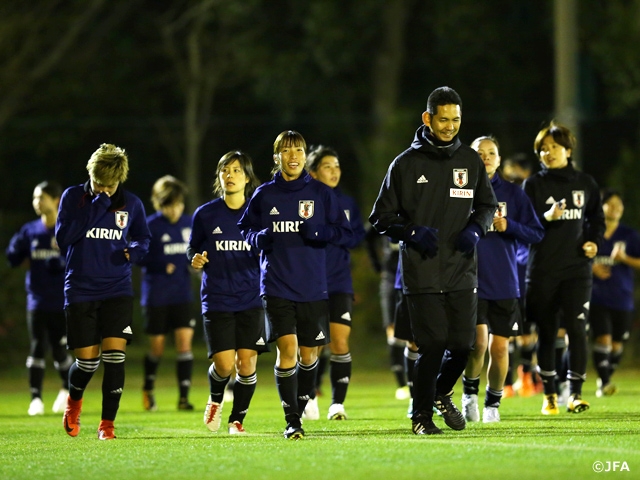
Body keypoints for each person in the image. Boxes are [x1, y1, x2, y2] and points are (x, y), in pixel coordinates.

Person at [369, 86, 498, 435]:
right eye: (443, 119)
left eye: (456, 120)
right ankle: (421, 418)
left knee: (464, 345)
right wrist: (411, 232)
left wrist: (476, 229)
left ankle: (440, 391)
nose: (450, 126)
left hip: (461, 269)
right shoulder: (405, 164)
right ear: (428, 118)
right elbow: (380, 217)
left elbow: (487, 205)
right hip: (421, 270)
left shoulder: (470, 161)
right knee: (433, 344)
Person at [238, 130, 353, 439]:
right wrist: (258, 238)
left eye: (299, 150)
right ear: (277, 157)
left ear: (304, 156)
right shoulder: (264, 194)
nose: (293, 156)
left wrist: (321, 232)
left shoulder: (321, 193)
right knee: (287, 350)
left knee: (309, 355)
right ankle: (292, 421)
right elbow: (245, 228)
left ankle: (299, 407)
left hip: (313, 287)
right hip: (276, 285)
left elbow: (346, 233)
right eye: (287, 151)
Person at [55, 143, 150, 440]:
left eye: (110, 186)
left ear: (120, 179)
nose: (104, 190)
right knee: (87, 362)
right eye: (99, 184)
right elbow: (64, 237)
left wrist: (136, 251)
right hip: (80, 289)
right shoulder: (73, 197)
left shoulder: (132, 204)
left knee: (115, 358)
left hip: (117, 288)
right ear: (91, 175)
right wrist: (96, 206)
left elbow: (143, 238)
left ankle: (107, 425)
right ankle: (73, 402)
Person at [523, 121, 605, 415]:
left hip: (577, 270)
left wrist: (593, 242)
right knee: (547, 333)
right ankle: (549, 395)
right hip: (543, 270)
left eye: (554, 147)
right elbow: (524, 227)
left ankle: (576, 394)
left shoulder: (585, 183)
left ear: (568, 150)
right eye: (543, 149)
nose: (548, 153)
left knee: (577, 330)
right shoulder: (532, 185)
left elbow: (596, 220)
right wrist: (546, 217)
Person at [461, 136, 544, 423]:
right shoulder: (460, 191)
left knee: (499, 347)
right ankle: (469, 395)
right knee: (478, 343)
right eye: (479, 152)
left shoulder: (513, 194)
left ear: (499, 159)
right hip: (470, 280)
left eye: (491, 153)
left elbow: (536, 232)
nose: (485, 157)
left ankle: (493, 404)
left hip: (505, 282)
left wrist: (510, 225)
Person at [188, 150, 268, 435]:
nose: (230, 175)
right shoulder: (206, 214)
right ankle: (215, 399)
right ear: (219, 176)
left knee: (246, 364)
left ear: (247, 178)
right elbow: (193, 247)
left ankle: (237, 420)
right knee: (224, 366)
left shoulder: (258, 214)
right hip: (217, 297)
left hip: (251, 298)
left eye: (236, 170)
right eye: (225, 170)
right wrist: (195, 258)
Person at [303, 145, 367, 420]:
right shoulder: (305, 200)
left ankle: (337, 404)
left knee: (340, 342)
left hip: (340, 281)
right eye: (327, 166)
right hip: (309, 282)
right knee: (312, 345)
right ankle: (308, 397)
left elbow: (356, 236)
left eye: (337, 166)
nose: (334, 171)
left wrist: (325, 233)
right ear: (313, 172)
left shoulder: (347, 203)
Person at [6, 181, 74, 416]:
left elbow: (80, 259)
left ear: (56, 200)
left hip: (62, 301)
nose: (37, 202)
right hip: (37, 300)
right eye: (35, 198)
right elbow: (14, 256)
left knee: (60, 350)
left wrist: (62, 263)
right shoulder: (30, 230)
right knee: (36, 346)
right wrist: (17, 255)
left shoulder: (67, 229)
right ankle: (36, 399)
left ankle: (67, 390)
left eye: (41, 198)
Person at [137, 175, 196, 412]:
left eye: (178, 204)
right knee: (157, 348)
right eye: (169, 205)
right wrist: (160, 264)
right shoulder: (150, 226)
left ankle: (184, 398)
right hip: (156, 295)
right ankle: (148, 389)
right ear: (160, 204)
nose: (174, 210)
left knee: (184, 344)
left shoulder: (190, 223)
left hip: (182, 294)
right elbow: (138, 257)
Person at [590, 189, 640, 397]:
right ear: (601, 207)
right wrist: (590, 266)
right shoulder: (591, 231)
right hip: (595, 296)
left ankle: (606, 376)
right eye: (611, 204)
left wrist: (624, 258)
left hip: (622, 297)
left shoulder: (629, 235)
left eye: (619, 205)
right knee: (603, 338)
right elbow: (574, 257)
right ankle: (604, 382)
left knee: (617, 344)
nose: (615, 208)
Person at [364, 230, 409, 400]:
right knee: (392, 328)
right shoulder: (385, 217)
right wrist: (377, 264)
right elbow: (368, 236)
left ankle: (414, 381)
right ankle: (402, 385)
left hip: (414, 275)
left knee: (413, 331)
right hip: (390, 277)